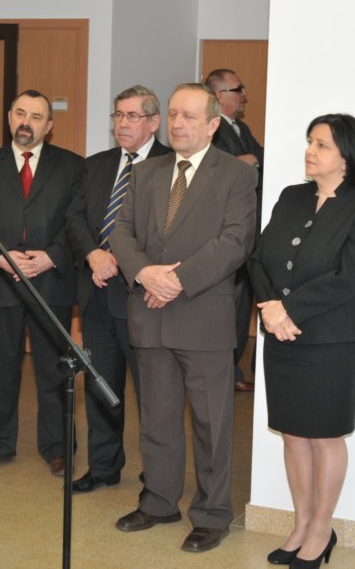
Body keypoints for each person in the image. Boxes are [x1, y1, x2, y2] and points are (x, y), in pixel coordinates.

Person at [110, 83, 257, 553]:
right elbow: (121, 233)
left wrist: (175, 280)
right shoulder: (145, 172)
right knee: (157, 418)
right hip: (150, 314)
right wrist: (145, 273)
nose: (177, 123)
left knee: (212, 424)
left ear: (213, 124)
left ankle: (212, 514)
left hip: (203, 314)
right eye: (173, 114)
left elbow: (235, 241)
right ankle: (158, 501)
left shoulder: (236, 174)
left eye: (189, 116)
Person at [247, 114, 355, 568]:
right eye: (310, 142)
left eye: (322, 144)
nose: (310, 151)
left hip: (333, 340)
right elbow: (257, 258)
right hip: (282, 334)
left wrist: (288, 310)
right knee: (292, 435)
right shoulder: (292, 196)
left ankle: (322, 529)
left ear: (349, 156)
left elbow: (352, 276)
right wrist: (270, 307)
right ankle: (302, 523)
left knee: (325, 436)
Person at [0, 89, 84, 476]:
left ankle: (58, 448)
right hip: (0, 281)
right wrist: (2, 257)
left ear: (49, 126)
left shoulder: (73, 167)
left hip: (51, 282)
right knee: (0, 370)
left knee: (53, 370)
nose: (26, 122)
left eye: (36, 116)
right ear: (9, 117)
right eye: (20, 113)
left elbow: (78, 222)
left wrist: (52, 256)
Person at [65, 85, 171, 493]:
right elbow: (75, 218)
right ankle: (104, 466)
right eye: (118, 116)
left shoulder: (170, 166)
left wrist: (122, 260)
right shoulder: (96, 165)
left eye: (132, 116)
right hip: (96, 295)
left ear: (154, 122)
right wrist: (93, 253)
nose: (122, 124)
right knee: (101, 384)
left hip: (143, 299)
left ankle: (157, 473)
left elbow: (167, 233)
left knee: (151, 392)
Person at [204, 68, 264, 391]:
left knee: (242, 306)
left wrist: (249, 157)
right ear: (219, 96)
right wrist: (246, 161)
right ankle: (226, 373)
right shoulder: (212, 129)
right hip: (224, 231)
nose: (245, 95)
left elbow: (262, 157)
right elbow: (221, 169)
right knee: (230, 306)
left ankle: (234, 372)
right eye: (239, 89)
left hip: (248, 228)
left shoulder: (242, 128)